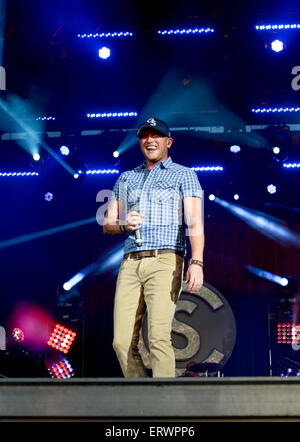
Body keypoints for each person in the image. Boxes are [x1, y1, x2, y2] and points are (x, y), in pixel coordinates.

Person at [103, 117, 204, 378]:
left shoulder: (184, 174)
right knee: (121, 342)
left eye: (156, 135)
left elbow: (195, 223)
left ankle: (164, 409)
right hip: (130, 263)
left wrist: (197, 262)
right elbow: (107, 223)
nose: (150, 140)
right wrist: (123, 224)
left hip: (165, 260)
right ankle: (141, 404)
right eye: (145, 136)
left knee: (158, 337)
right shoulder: (126, 177)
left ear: (167, 142)